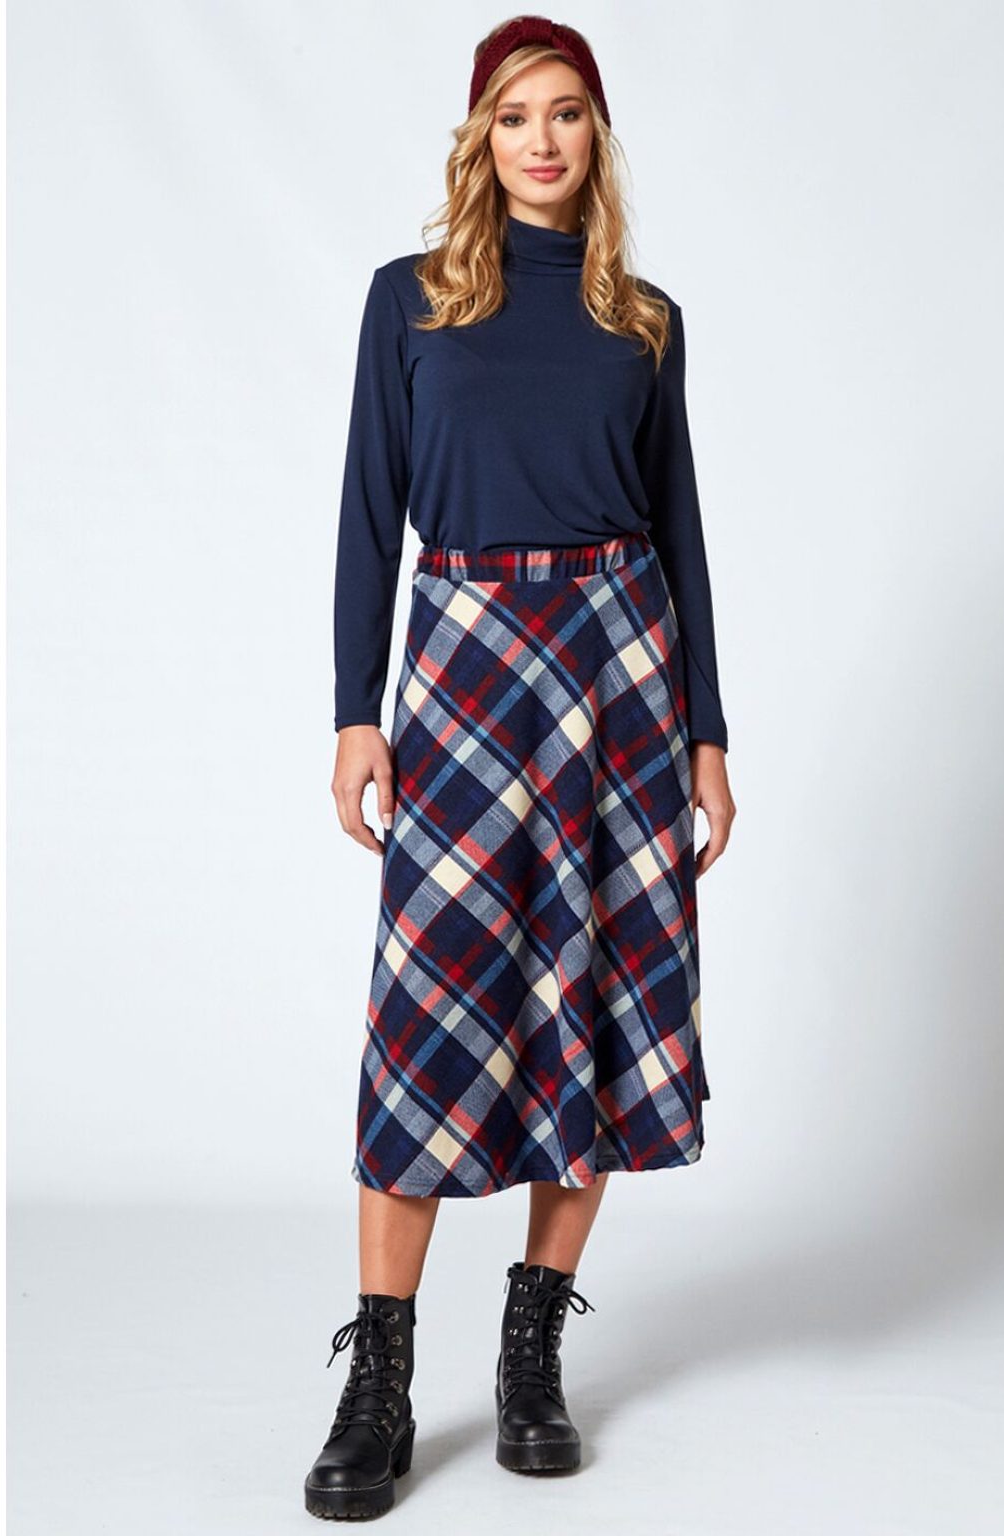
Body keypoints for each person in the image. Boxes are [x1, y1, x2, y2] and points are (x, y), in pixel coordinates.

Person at [305, 13, 737, 1521]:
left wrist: (706, 732)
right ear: (479, 138)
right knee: (431, 1010)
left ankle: (532, 1346)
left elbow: (682, 531)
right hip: (467, 660)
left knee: (592, 1003)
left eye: (565, 113)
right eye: (513, 115)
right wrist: (356, 711)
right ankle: (379, 1376)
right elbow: (370, 513)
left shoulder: (643, 319)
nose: (541, 139)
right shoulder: (412, 298)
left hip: (621, 664)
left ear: (596, 135)